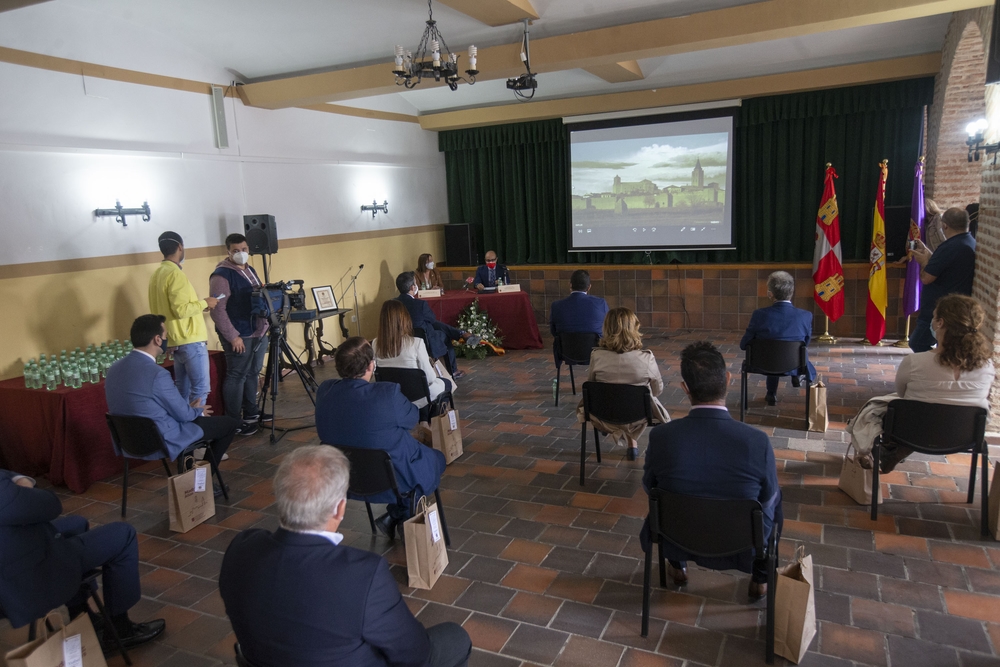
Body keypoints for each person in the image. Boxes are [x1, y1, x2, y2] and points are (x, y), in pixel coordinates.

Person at [219, 445, 471, 667]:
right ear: (340, 508)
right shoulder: (363, 575)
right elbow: (415, 654)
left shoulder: (240, 549)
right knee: (455, 638)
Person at [642, 341, 782, 600]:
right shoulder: (756, 441)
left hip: (676, 535)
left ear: (685, 389)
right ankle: (760, 578)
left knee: (663, 498)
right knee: (775, 500)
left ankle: (678, 564)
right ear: (728, 380)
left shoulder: (661, 436)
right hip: (741, 542)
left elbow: (649, 485)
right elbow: (768, 500)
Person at [0, 469, 166, 648]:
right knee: (123, 535)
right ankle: (120, 629)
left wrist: (16, 479)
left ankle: (82, 614)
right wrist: (24, 483)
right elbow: (51, 505)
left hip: (13, 552)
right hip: (26, 576)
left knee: (76, 523)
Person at [847, 294, 995, 472]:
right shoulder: (987, 366)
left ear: (940, 323)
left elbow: (902, 394)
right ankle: (894, 453)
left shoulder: (914, 362)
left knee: (880, 410)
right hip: (964, 436)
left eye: (933, 317)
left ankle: (892, 451)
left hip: (911, 434)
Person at [315, 337, 446, 536]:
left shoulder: (325, 391)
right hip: (391, 479)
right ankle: (400, 515)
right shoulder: (387, 394)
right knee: (436, 459)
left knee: (391, 457)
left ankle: (397, 514)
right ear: (371, 365)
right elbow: (412, 419)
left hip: (344, 478)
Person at [105, 314, 239, 494]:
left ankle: (191, 478)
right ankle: (201, 483)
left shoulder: (113, 369)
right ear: (157, 339)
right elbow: (183, 415)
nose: (168, 339)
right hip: (159, 438)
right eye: (166, 335)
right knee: (229, 425)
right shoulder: (156, 374)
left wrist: (188, 411)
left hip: (128, 439)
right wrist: (195, 411)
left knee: (191, 421)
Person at [577, 307, 669, 461]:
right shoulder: (647, 358)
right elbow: (657, 390)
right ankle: (632, 443)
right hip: (638, 415)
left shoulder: (597, 356)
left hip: (604, 414)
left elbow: (592, 384)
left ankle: (624, 437)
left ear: (606, 328)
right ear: (634, 329)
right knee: (640, 399)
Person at [148, 230, 218, 407]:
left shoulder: (157, 274)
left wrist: (199, 306)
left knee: (182, 389)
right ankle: (196, 429)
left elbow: (167, 309)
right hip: (190, 340)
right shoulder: (175, 274)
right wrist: (204, 303)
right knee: (200, 389)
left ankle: (184, 426)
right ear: (180, 247)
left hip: (173, 339)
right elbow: (180, 310)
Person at [209, 233, 269, 436]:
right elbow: (218, 309)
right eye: (236, 251)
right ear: (228, 252)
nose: (241, 254)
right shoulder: (221, 275)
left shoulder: (250, 270)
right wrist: (232, 336)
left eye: (244, 249)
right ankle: (233, 421)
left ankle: (251, 412)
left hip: (257, 330)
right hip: (238, 332)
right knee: (237, 375)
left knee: (253, 371)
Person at [739, 270, 816, 406]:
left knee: (771, 351)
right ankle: (796, 375)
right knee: (791, 351)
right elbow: (806, 343)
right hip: (794, 363)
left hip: (761, 363)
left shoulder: (759, 315)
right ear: (792, 292)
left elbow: (744, 345)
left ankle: (771, 393)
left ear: (770, 294)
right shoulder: (805, 316)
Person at [908, 207, 977, 353]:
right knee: (945, 345)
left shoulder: (950, 246)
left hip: (939, 307)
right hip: (955, 305)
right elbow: (946, 266)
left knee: (918, 343)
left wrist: (923, 262)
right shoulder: (969, 242)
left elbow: (926, 278)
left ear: (944, 225)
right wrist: (929, 256)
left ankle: (932, 369)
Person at [373, 300, 451, 407]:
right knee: (446, 383)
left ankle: (423, 419)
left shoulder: (375, 344)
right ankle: (430, 420)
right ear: (404, 319)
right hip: (417, 397)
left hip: (391, 395)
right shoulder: (416, 343)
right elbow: (430, 377)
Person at [396, 271, 468, 378]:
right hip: (424, 340)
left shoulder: (393, 303)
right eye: (416, 284)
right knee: (443, 333)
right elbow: (432, 319)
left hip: (402, 338)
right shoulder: (420, 304)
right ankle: (453, 370)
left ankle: (460, 333)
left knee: (435, 325)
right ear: (412, 288)